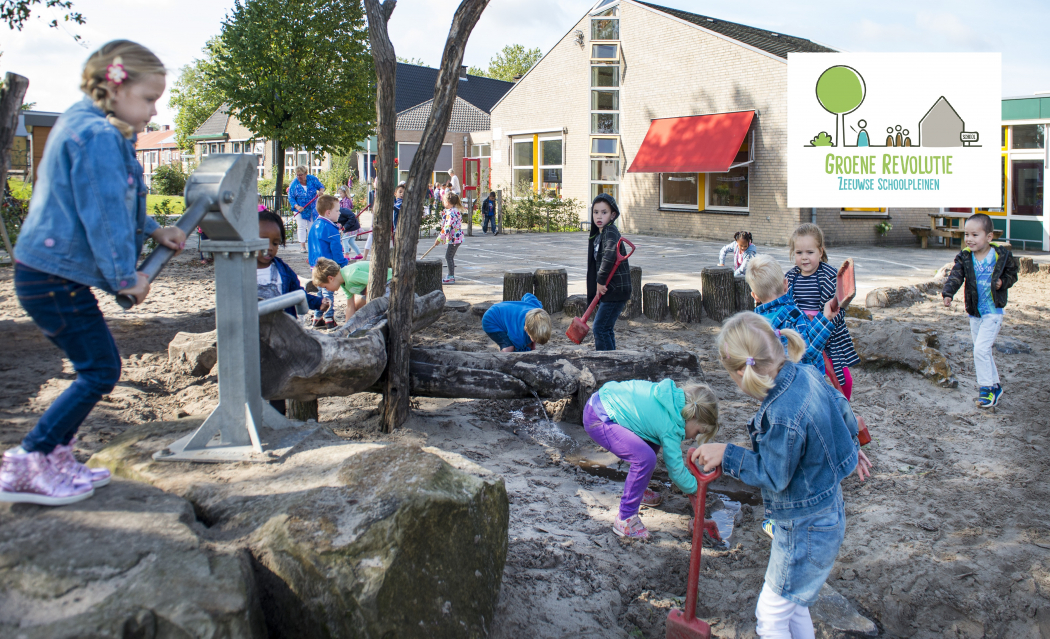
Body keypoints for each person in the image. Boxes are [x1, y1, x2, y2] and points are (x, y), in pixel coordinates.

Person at [0, 40, 187, 505]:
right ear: (114, 87)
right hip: (52, 277)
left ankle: (56, 456)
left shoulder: (84, 124)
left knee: (94, 367)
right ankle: (29, 460)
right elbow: (102, 217)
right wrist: (126, 278)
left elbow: (107, 198)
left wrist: (152, 229)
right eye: (148, 98)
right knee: (99, 369)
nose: (153, 110)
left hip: (43, 271)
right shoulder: (100, 137)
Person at [691, 312, 871, 637]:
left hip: (803, 528)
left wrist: (727, 453)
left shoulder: (782, 415)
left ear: (743, 373)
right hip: (826, 513)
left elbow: (773, 475)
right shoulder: (808, 373)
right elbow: (841, 408)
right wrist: (852, 448)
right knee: (794, 604)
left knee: (771, 615)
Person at [585, 379, 719, 539]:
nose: (693, 437)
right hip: (600, 417)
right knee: (645, 458)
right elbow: (675, 471)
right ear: (692, 416)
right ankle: (625, 518)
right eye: (698, 432)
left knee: (652, 443)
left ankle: (638, 491)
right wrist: (695, 488)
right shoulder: (672, 426)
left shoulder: (672, 400)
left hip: (603, 401)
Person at [942, 213, 1017, 408]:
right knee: (983, 351)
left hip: (993, 312)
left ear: (989, 237)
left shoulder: (1001, 256)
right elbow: (955, 276)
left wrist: (1003, 282)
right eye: (967, 234)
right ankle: (995, 386)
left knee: (981, 350)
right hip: (975, 312)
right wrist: (948, 293)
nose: (969, 239)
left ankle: (986, 390)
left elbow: (1012, 274)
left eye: (975, 235)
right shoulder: (965, 257)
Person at [257, 209, 328, 415]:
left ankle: (278, 422)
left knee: (277, 387)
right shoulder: (239, 269)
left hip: (280, 341)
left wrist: (316, 303)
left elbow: (297, 294)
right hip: (251, 340)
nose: (269, 248)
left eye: (275, 243)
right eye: (262, 241)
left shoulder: (282, 270)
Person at [785, 223, 859, 400]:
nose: (804, 258)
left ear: (820, 251)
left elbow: (839, 307)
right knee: (802, 377)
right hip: (801, 335)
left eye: (810, 252)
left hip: (829, 336)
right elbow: (785, 304)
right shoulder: (790, 278)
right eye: (799, 253)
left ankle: (843, 404)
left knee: (843, 379)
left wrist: (823, 322)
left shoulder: (830, 276)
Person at [746, 254, 836, 376]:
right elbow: (807, 351)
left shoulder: (752, 323)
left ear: (754, 296)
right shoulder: (793, 316)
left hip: (770, 385)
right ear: (785, 284)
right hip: (801, 384)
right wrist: (825, 319)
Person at [586, 194, 631, 351]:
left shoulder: (610, 231)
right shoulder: (600, 234)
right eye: (596, 212)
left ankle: (605, 363)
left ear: (613, 215)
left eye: (604, 212)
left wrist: (600, 281)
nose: (599, 216)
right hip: (611, 288)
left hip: (615, 288)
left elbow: (610, 254)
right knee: (606, 328)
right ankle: (613, 362)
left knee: (599, 328)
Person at [307, 195, 347, 329]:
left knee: (321, 292)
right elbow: (336, 251)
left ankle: (317, 318)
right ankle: (329, 319)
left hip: (316, 266)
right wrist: (343, 264)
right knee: (328, 293)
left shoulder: (314, 226)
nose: (339, 213)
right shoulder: (331, 229)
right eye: (337, 211)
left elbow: (311, 246)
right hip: (328, 268)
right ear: (328, 212)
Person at [312, 257, 391, 321]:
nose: (328, 290)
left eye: (325, 287)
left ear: (330, 278)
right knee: (357, 306)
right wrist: (346, 329)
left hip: (388, 283)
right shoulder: (343, 283)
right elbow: (350, 306)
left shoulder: (351, 275)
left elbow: (377, 282)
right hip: (374, 290)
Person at [481, 293, 552, 352]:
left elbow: (528, 295)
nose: (535, 342)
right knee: (509, 348)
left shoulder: (536, 307)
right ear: (526, 328)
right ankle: (499, 360)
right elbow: (517, 350)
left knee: (529, 341)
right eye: (535, 339)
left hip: (501, 310)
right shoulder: (518, 338)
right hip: (491, 320)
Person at [430, 191, 463, 284]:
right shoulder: (454, 211)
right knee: (449, 256)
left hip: (455, 239)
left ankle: (451, 276)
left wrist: (439, 238)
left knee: (448, 256)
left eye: (443, 201)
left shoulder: (451, 213)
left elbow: (447, 227)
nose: (443, 203)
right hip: (456, 238)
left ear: (447, 202)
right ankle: (450, 275)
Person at [289, 165, 324, 253]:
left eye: (300, 175)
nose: (298, 177)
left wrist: (321, 191)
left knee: (312, 226)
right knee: (301, 226)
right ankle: (302, 246)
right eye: (297, 175)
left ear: (305, 174)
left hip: (312, 208)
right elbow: (291, 197)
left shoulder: (312, 179)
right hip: (300, 209)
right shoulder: (294, 183)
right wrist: (297, 206)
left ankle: (313, 246)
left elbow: (321, 186)